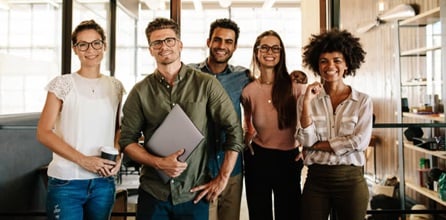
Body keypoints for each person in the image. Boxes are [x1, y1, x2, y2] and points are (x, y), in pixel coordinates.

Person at [118, 17, 244, 220]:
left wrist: (222, 178)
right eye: (156, 42)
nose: (164, 46)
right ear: (150, 49)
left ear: (180, 45)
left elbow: (235, 131)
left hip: (193, 194)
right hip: (153, 194)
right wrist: (158, 163)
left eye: (169, 40)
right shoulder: (139, 92)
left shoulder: (206, 84)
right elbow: (127, 141)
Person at [36, 19, 125, 220]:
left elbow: (117, 128)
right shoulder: (62, 84)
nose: (90, 49)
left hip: (103, 182)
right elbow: (43, 132)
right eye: (82, 44)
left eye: (96, 43)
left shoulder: (116, 86)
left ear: (104, 46)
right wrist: (84, 161)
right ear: (75, 49)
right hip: (67, 182)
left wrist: (118, 155)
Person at [296, 28, 373, 220]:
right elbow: (306, 139)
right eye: (324, 61)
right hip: (316, 180)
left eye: (337, 60)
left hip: (351, 179)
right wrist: (306, 102)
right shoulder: (307, 99)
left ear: (347, 64)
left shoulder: (362, 101)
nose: (330, 66)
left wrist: (317, 146)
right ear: (317, 65)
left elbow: (359, 143)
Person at [188, 18, 250, 220]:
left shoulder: (243, 77)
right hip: (199, 169)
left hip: (231, 168)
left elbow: (266, 98)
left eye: (228, 41)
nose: (222, 46)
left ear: (235, 46)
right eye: (217, 40)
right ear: (208, 42)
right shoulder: (189, 74)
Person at [241, 30, 303, 220]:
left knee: (289, 213)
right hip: (258, 157)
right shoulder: (249, 90)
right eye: (265, 47)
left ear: (281, 53)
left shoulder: (296, 88)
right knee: (259, 214)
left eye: (276, 48)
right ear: (257, 52)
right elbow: (247, 121)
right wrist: (246, 141)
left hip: (289, 159)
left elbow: (313, 121)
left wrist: (308, 147)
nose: (270, 52)